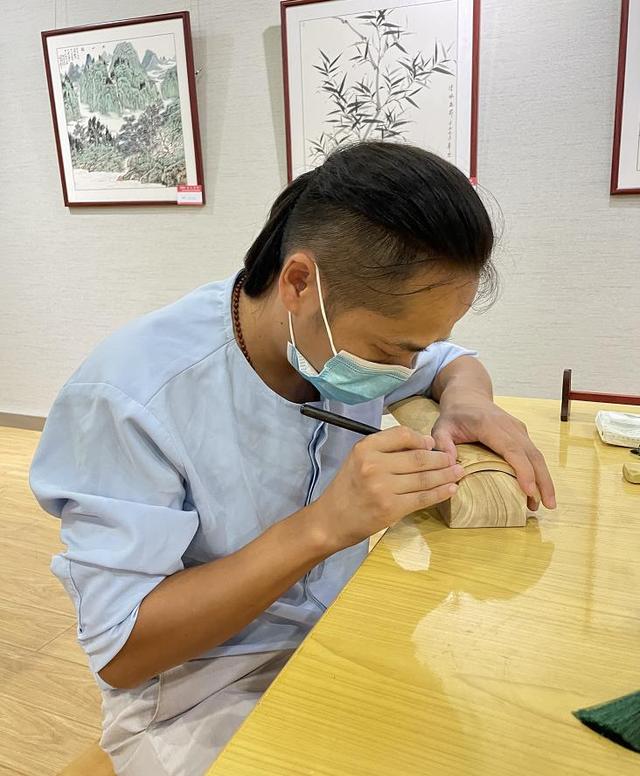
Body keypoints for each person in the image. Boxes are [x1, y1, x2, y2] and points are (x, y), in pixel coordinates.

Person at [29, 140, 556, 775]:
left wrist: (468, 398)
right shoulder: (128, 397)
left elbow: (450, 361)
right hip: (199, 689)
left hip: (342, 631)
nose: (405, 368)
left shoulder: (347, 336)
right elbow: (123, 650)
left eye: (419, 349)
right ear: (299, 282)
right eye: (393, 350)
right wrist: (323, 526)